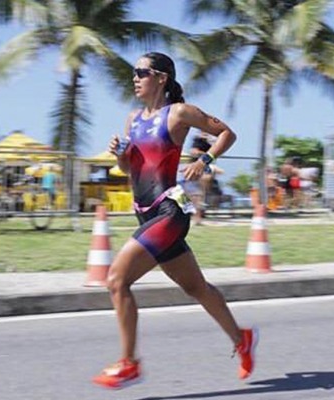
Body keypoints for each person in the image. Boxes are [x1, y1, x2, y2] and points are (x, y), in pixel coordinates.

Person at [92, 52, 258, 390]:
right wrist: (121, 157)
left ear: (161, 77)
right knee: (197, 288)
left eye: (141, 72)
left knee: (116, 280)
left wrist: (205, 159)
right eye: (133, 72)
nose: (134, 78)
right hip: (145, 212)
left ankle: (129, 363)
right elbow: (129, 171)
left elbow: (227, 133)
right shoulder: (133, 119)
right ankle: (242, 338)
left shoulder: (179, 113)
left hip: (169, 212)